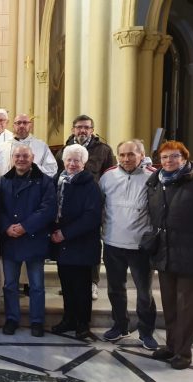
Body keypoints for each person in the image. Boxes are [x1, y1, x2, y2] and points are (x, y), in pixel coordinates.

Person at [146, 141, 193, 370]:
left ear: (184, 159)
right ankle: (172, 346)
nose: (168, 161)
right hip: (166, 255)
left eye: (174, 157)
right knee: (171, 305)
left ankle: (183, 353)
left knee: (188, 308)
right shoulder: (157, 184)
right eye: (164, 158)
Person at [99, 139, 158, 349]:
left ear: (142, 155)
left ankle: (146, 331)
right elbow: (101, 205)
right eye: (122, 155)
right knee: (116, 289)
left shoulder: (152, 176)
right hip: (113, 242)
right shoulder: (107, 176)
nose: (126, 159)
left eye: (131, 154)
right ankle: (120, 325)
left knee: (144, 292)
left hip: (140, 245)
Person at [55, 114, 115, 300]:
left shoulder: (104, 150)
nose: (82, 130)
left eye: (86, 127)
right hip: (67, 206)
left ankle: (92, 282)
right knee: (68, 245)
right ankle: (70, 284)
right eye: (79, 127)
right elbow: (60, 176)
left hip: (91, 204)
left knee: (90, 245)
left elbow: (110, 176)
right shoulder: (62, 151)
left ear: (92, 130)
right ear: (73, 129)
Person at [0, 145, 56, 337]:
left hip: (34, 238)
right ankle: (12, 319)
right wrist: (7, 226)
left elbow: (47, 209)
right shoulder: (2, 182)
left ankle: (37, 321)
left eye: (25, 156)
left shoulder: (45, 182)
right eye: (17, 156)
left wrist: (25, 226)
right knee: (10, 284)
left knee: (36, 285)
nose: (21, 159)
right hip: (10, 239)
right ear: (12, 158)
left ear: (32, 158)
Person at [50, 144, 102, 339]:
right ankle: (68, 319)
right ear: (63, 161)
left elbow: (92, 216)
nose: (72, 164)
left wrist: (65, 233)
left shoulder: (90, 184)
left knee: (81, 286)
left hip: (81, 242)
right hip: (62, 242)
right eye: (69, 160)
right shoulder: (58, 180)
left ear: (84, 163)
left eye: (77, 161)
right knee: (67, 285)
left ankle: (82, 324)